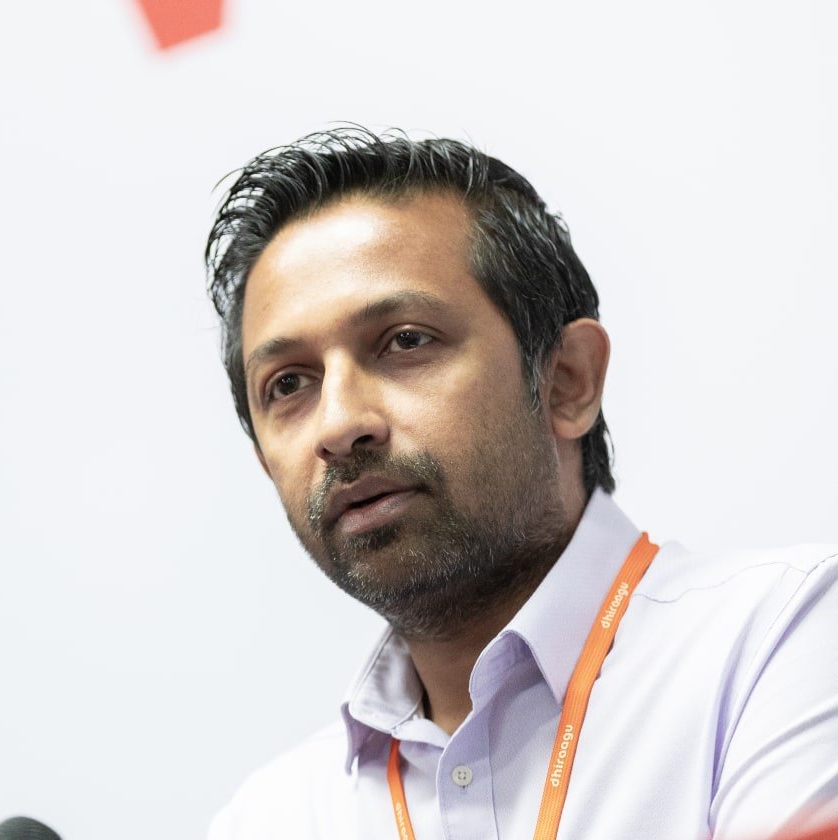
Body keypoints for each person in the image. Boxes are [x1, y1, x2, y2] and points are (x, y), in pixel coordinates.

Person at [201, 127, 838, 840]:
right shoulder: (271, 818)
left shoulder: (784, 641)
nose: (340, 423)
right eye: (289, 384)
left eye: (406, 340)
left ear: (567, 381)